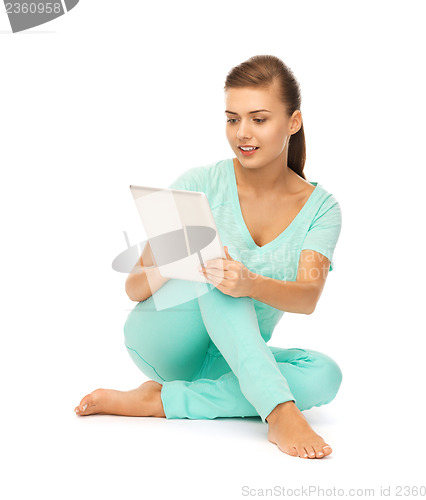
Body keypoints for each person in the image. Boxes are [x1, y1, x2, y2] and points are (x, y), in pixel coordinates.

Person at [74, 55, 343, 460]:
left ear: (293, 122)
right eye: (233, 119)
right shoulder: (200, 183)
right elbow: (134, 288)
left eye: (258, 119)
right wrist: (182, 255)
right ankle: (278, 411)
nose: (243, 133)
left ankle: (160, 401)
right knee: (213, 268)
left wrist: (250, 282)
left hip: (232, 357)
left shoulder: (322, 209)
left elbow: (307, 298)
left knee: (324, 375)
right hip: (165, 339)